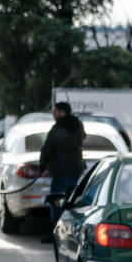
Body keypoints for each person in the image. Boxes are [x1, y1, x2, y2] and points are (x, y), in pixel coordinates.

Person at [39, 102, 86, 243]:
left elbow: (47, 149)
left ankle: (57, 235)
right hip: (75, 170)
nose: (53, 114)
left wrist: (42, 167)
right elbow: (82, 138)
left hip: (60, 172)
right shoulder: (78, 125)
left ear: (61, 112)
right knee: (70, 204)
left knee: (57, 203)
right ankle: (70, 234)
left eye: (55, 111)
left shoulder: (57, 129)